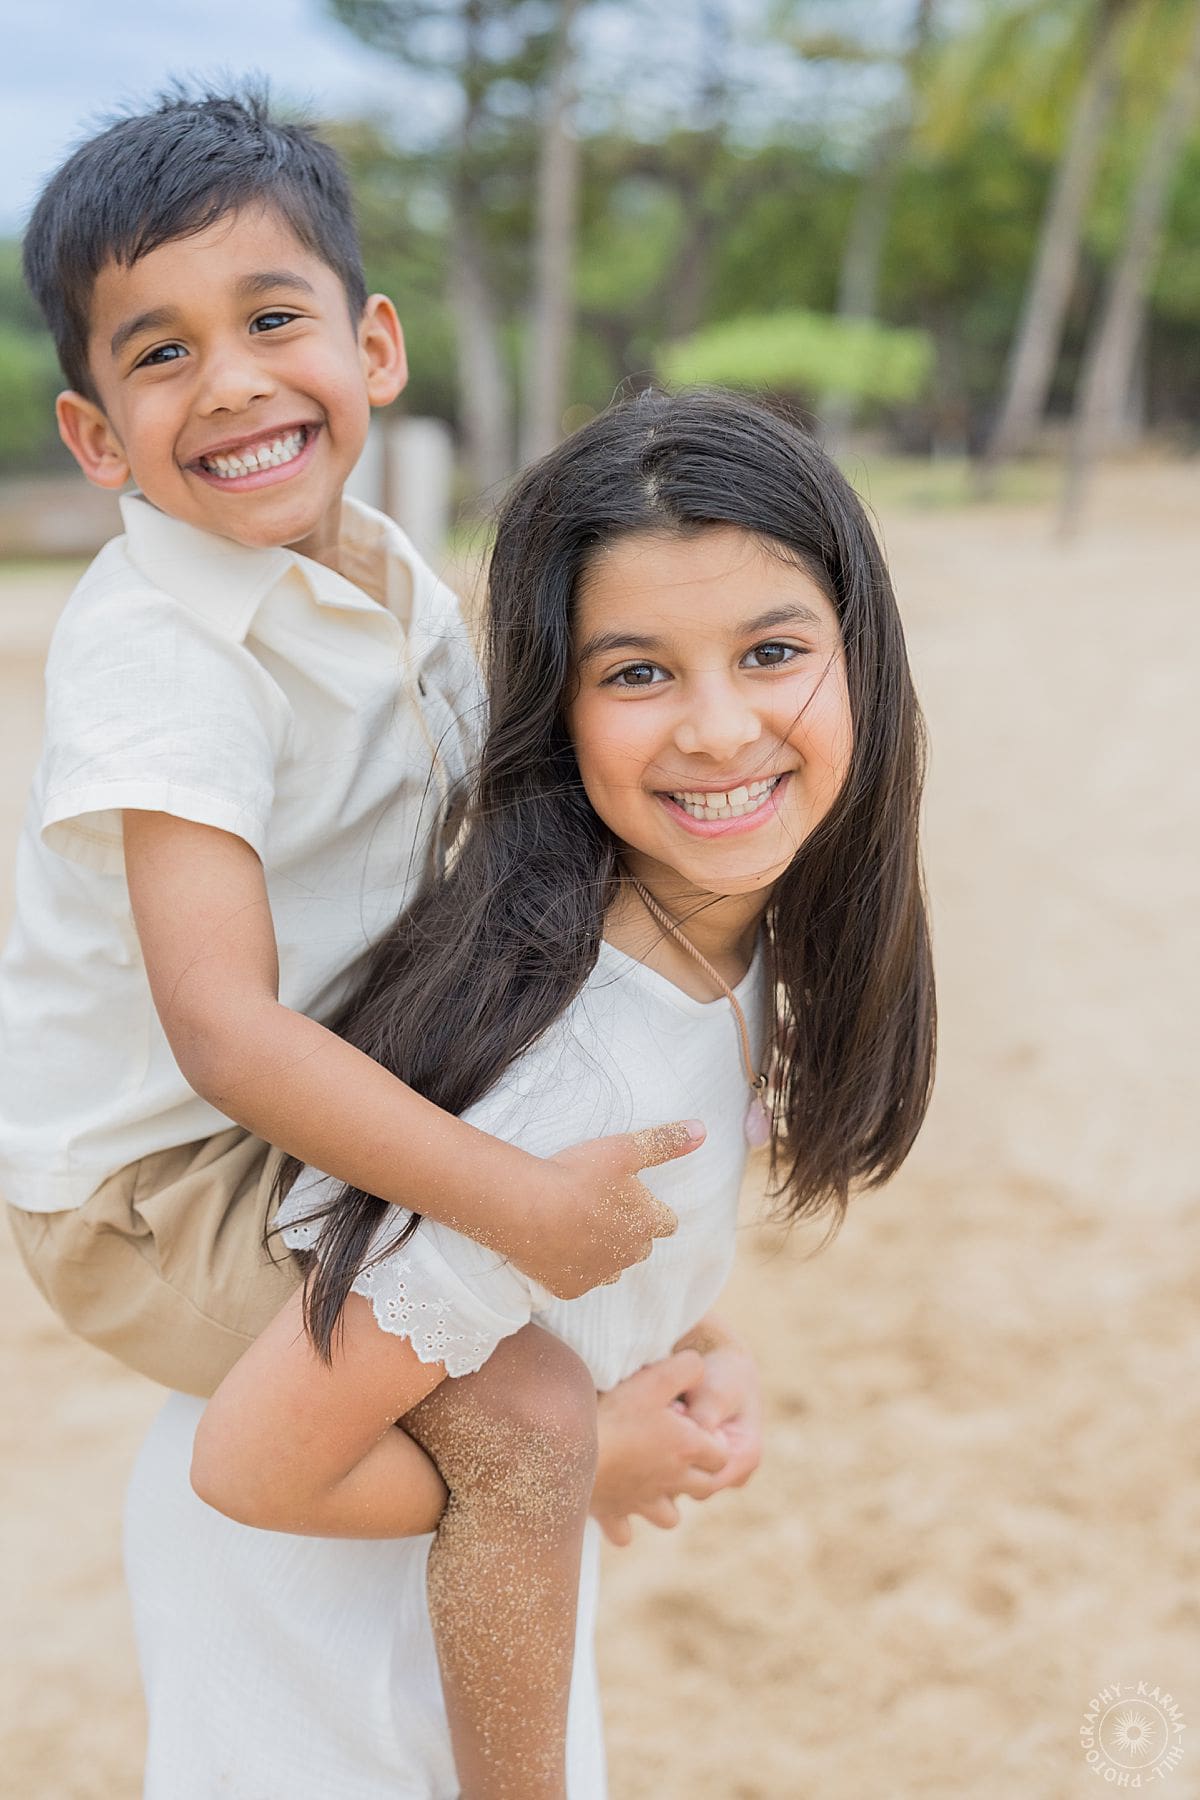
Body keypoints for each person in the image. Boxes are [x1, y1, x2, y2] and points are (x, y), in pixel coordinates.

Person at [0, 87, 710, 1796]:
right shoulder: (162, 652)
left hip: (315, 1089)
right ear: (97, 438)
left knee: (608, 1225)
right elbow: (223, 1034)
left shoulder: (388, 572)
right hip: (154, 1182)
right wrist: (510, 1199)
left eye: (270, 320)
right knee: (531, 1412)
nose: (231, 381)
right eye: (157, 355)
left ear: (372, 347)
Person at [134, 387, 936, 1796]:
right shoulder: (576, 1064)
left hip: (469, 1582)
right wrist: (596, 1452)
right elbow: (254, 1463)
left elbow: (562, 1272)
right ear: (555, 711)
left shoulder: (703, 929)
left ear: (860, 650)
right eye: (637, 674)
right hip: (332, 1648)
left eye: (771, 651)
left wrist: (692, 1336)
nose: (720, 728)